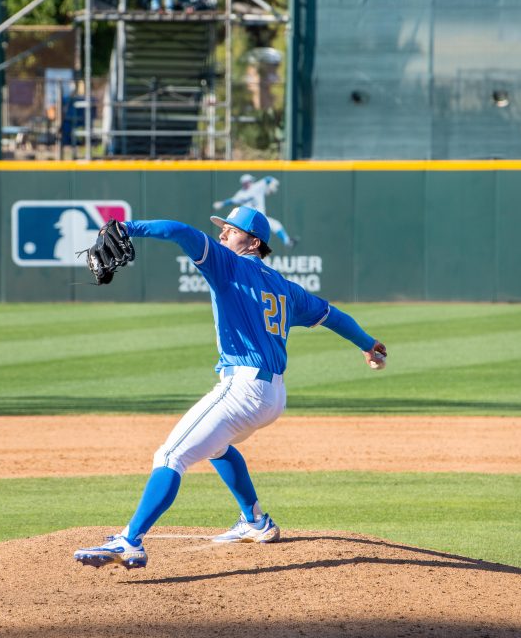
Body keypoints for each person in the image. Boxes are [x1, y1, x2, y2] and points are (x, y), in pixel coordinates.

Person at [74, 205, 387, 571]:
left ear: (253, 241)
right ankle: (256, 522)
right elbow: (335, 316)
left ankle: (130, 541)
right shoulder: (287, 289)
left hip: (244, 389)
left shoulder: (229, 265)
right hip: (273, 397)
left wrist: (128, 226)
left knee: (170, 456)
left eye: (231, 229)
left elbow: (179, 230)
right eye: (222, 229)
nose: (223, 234)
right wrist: (368, 344)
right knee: (217, 445)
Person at [213, 173, 297, 247]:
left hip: (260, 217)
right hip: (248, 219)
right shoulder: (241, 193)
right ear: (244, 183)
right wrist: (222, 203)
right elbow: (232, 200)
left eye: (249, 181)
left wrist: (272, 184)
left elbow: (269, 179)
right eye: (246, 182)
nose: (248, 183)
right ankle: (220, 243)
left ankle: (287, 241)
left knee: (276, 225)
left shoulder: (257, 186)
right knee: (234, 231)